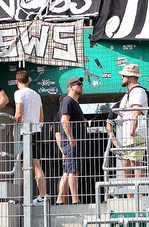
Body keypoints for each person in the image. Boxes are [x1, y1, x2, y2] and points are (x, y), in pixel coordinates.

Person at [14, 70, 48, 205]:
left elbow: (18, 113)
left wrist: (16, 127)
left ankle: (38, 196)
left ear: (17, 82)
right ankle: (39, 196)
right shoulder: (36, 94)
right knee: (29, 165)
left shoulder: (19, 93)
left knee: (29, 166)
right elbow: (42, 118)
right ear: (28, 81)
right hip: (36, 131)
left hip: (26, 133)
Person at [55, 76, 86, 205]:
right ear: (71, 87)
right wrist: (71, 138)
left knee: (68, 171)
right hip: (71, 143)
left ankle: (60, 199)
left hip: (72, 143)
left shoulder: (74, 103)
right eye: (78, 84)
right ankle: (75, 199)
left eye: (81, 84)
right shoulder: (68, 101)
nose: (81, 85)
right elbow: (64, 120)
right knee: (73, 171)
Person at [116, 63, 149, 183]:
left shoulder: (137, 92)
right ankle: (130, 195)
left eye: (123, 75)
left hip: (134, 133)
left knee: (135, 164)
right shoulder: (130, 92)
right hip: (129, 134)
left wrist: (132, 131)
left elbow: (135, 112)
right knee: (127, 164)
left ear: (130, 77)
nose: (122, 78)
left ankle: (141, 193)